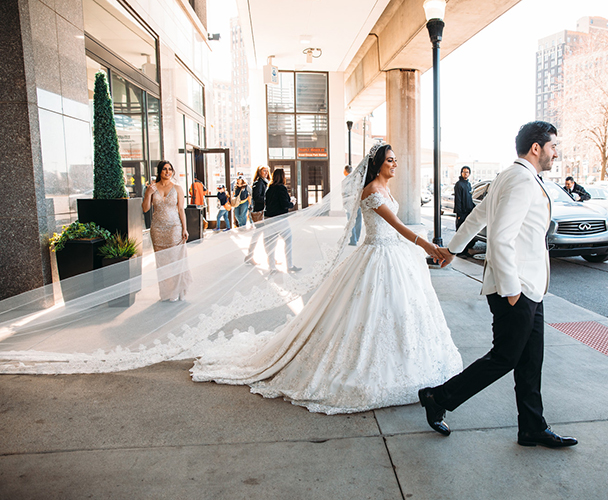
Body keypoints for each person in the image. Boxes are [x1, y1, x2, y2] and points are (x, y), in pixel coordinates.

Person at [191, 144, 463, 414]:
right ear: (378, 163)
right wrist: (427, 246)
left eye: (395, 160)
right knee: (365, 316)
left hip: (393, 256)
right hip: (377, 255)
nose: (395, 164)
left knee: (398, 313)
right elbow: (397, 226)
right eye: (390, 160)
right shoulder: (371, 192)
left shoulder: (386, 189)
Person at [419, 121, 578, 448]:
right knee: (505, 358)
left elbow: (479, 215)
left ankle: (532, 427)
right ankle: (438, 397)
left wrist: (453, 249)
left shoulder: (513, 176)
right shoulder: (520, 180)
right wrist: (511, 291)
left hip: (530, 288)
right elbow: (501, 238)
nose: (555, 152)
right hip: (516, 288)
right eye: (553, 146)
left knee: (532, 361)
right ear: (536, 147)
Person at [141, 160, 193, 302]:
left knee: (174, 259)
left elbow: (181, 210)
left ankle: (177, 290)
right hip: (157, 229)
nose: (167, 172)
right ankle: (167, 292)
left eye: (170, 169)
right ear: (159, 171)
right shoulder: (152, 188)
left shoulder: (177, 188)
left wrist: (185, 228)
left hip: (174, 227)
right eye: (164, 169)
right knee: (162, 262)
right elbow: (145, 209)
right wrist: (148, 194)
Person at [263, 169, 300, 273]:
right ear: (282, 177)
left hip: (268, 219)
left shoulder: (269, 189)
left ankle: (272, 267)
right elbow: (285, 205)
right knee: (288, 240)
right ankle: (290, 265)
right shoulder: (281, 188)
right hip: (279, 219)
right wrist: (292, 202)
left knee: (271, 244)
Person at [453, 166, 475, 256]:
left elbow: (470, 198)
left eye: (467, 172)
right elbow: (458, 200)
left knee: (466, 233)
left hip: (468, 212)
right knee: (460, 232)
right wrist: (459, 214)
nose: (466, 174)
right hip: (461, 213)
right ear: (461, 173)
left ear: (469, 174)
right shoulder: (459, 184)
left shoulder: (468, 184)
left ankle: (465, 251)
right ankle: (459, 252)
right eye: (464, 172)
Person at [344, 165, 362, 245]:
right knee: (358, 220)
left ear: (345, 171)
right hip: (357, 202)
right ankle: (357, 237)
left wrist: (344, 204)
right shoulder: (356, 179)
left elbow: (344, 193)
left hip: (350, 203)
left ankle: (353, 240)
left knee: (351, 221)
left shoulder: (345, 181)